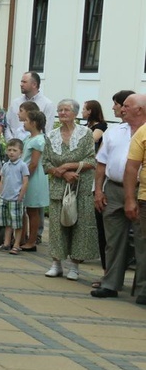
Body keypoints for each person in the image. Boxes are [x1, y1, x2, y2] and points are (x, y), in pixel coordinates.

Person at [94, 94, 146, 299]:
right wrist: (98, 190)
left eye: (126, 106)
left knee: (142, 241)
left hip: (140, 191)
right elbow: (101, 163)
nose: (121, 109)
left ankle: (142, 289)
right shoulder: (114, 132)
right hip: (114, 189)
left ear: (139, 110)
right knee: (114, 240)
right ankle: (110, 283)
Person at [42, 99, 97, 280]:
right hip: (59, 187)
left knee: (79, 227)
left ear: (75, 113)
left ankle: (74, 266)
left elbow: (91, 160)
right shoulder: (51, 136)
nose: (63, 113)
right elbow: (46, 162)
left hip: (80, 187)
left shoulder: (86, 133)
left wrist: (68, 166)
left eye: (66, 110)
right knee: (57, 227)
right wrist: (62, 173)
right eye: (60, 110)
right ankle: (56, 264)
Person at [83, 99, 108, 270]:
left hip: (93, 168)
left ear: (91, 111)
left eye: (84, 109)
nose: (82, 112)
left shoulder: (101, 126)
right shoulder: (86, 126)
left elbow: (90, 141)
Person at [19, 111, 49, 251]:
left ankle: (32, 240)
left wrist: (24, 177)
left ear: (34, 123)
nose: (23, 123)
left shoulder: (39, 140)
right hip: (26, 176)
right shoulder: (29, 138)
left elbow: (33, 163)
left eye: (26, 121)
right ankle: (22, 237)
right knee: (24, 208)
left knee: (32, 210)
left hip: (33, 178)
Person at [0, 139, 29, 254]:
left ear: (20, 152)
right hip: (5, 197)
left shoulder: (22, 165)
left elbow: (25, 182)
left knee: (17, 223)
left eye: (15, 150)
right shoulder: (5, 165)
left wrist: (21, 196)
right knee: (7, 222)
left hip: (16, 198)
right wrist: (1, 192)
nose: (12, 152)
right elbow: (2, 179)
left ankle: (17, 244)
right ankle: (6, 243)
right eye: (9, 150)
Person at [5, 71, 55, 140]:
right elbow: (7, 125)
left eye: (24, 82)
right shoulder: (15, 103)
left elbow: (47, 130)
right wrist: (11, 141)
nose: (21, 84)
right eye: (21, 82)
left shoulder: (47, 104)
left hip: (34, 146)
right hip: (14, 147)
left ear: (34, 84)